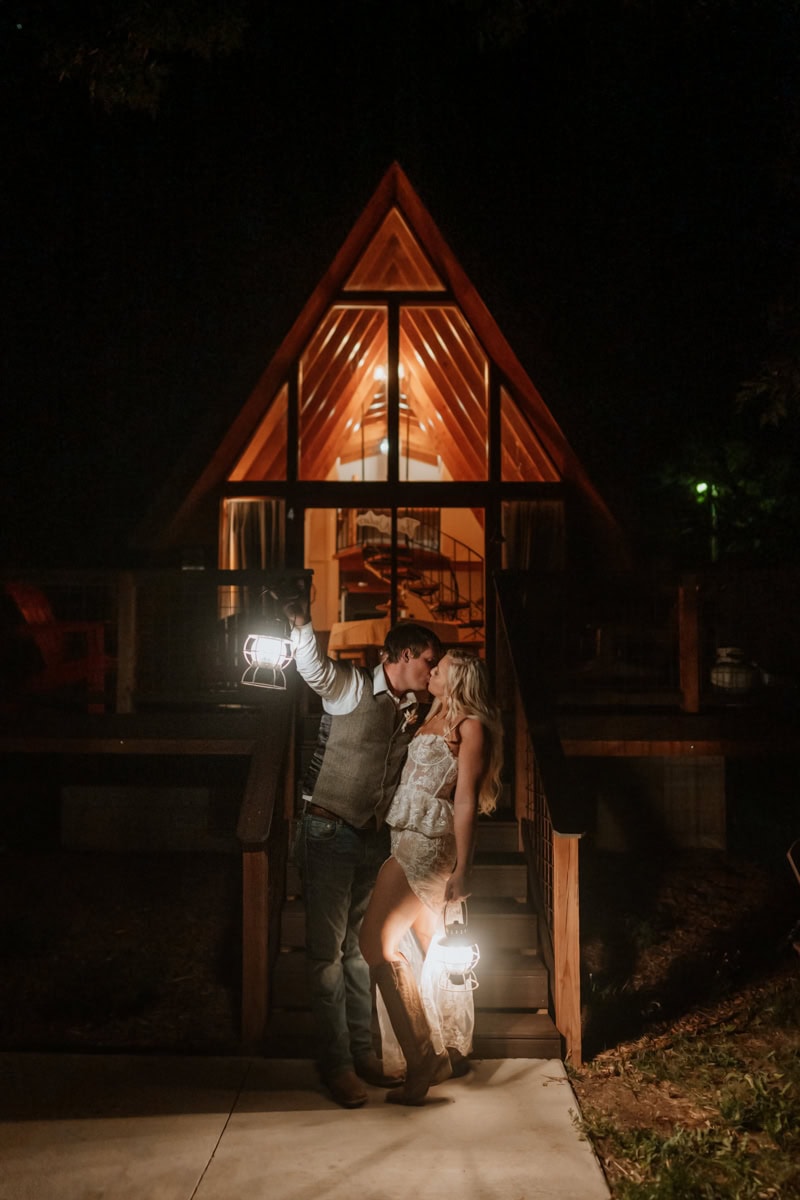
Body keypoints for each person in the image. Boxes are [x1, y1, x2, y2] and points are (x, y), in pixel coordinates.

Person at [287, 594, 443, 1109]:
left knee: (358, 952)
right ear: (401, 656)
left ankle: (365, 1054)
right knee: (326, 957)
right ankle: (337, 1066)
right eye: (427, 660)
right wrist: (301, 624)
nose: (431, 669)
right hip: (328, 831)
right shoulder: (351, 686)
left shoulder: (414, 708)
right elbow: (313, 668)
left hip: (373, 839)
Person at [359, 648, 504, 1105]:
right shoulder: (428, 715)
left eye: (439, 668)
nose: (431, 671)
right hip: (404, 836)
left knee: (374, 943)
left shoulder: (470, 726)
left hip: (427, 843)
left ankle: (421, 1060)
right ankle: (439, 1052)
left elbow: (465, 800)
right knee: (418, 947)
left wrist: (464, 867)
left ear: (457, 679)